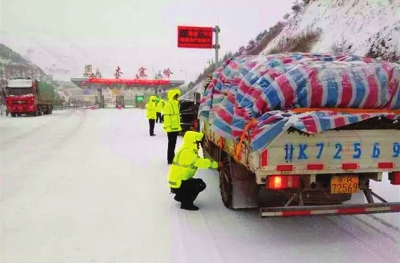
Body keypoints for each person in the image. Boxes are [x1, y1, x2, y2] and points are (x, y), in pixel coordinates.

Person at [168, 131, 221, 211]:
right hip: (178, 183)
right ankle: (186, 203)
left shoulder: (185, 148)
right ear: (193, 142)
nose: (199, 146)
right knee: (199, 184)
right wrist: (216, 164)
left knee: (196, 183)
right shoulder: (187, 152)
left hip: (177, 182)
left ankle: (180, 196)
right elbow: (200, 162)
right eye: (197, 143)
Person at [163, 89, 182, 164]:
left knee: (173, 144)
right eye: (175, 96)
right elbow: (167, 118)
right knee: (171, 144)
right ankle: (170, 159)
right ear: (172, 96)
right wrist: (168, 128)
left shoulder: (176, 104)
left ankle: (172, 157)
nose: (177, 97)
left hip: (175, 128)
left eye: (177, 96)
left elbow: (176, 117)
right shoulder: (168, 105)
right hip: (171, 129)